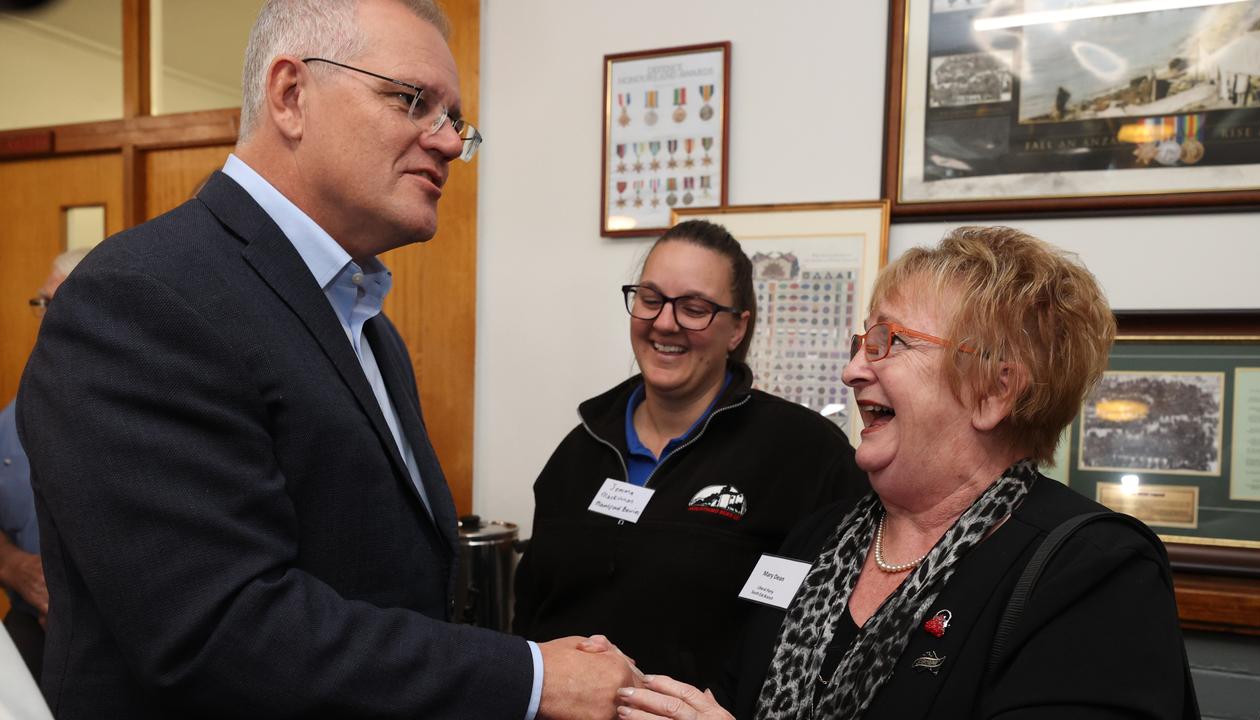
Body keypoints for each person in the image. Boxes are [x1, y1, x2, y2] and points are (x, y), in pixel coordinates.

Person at [17, 1, 633, 717]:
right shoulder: (142, 297)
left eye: (456, 120)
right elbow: (219, 632)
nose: (447, 143)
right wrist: (529, 678)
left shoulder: (364, 319)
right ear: (290, 94)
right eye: (413, 101)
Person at [614, 226, 1197, 719]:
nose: (851, 371)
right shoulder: (818, 539)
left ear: (995, 391)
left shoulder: (1096, 573)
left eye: (887, 342)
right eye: (861, 342)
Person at [514, 220, 869, 689]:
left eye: (695, 308)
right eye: (651, 299)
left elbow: (840, 635)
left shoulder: (808, 455)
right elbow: (531, 618)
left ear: (737, 328)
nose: (665, 323)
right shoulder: (578, 453)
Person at [0, 248, 88, 683]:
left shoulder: (146, 409)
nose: (48, 317)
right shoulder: (11, 418)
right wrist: (11, 565)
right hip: (28, 641)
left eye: (61, 301)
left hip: (120, 652)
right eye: (43, 303)